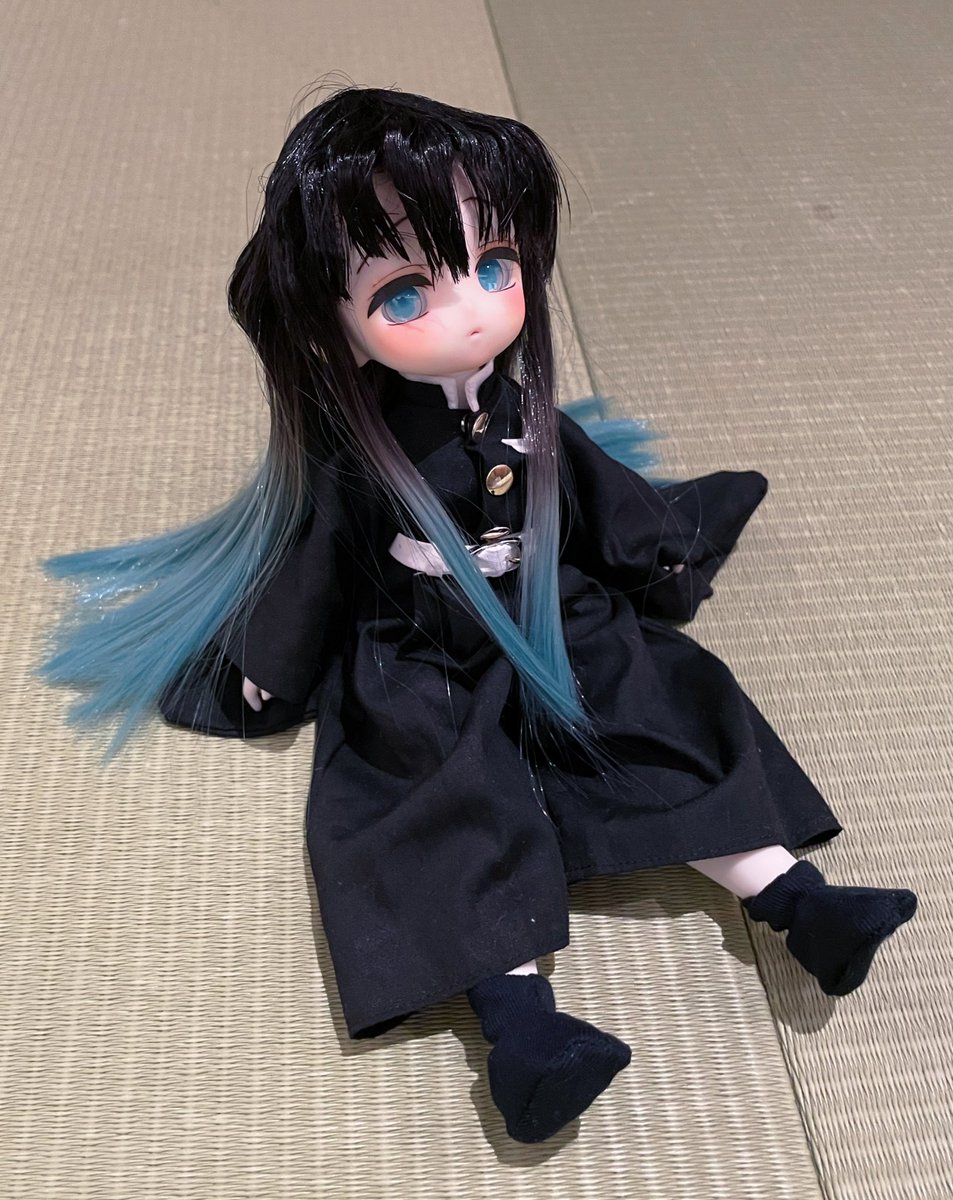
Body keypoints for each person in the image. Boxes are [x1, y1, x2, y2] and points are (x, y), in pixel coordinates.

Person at [41, 86, 918, 1144]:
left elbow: (595, 495)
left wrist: (656, 544)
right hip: (419, 650)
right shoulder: (361, 451)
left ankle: (798, 901)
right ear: (331, 322)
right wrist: (272, 660)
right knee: (438, 806)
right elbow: (315, 563)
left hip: (549, 610)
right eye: (407, 292)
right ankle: (522, 1034)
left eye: (493, 267)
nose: (469, 311)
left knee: (657, 710)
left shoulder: (525, 411)